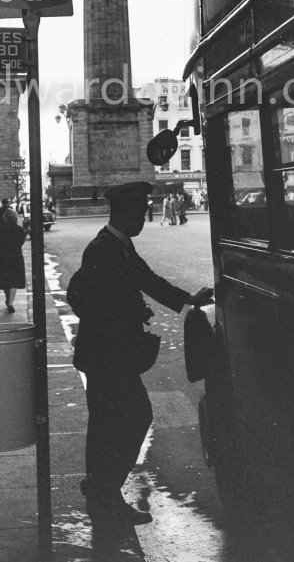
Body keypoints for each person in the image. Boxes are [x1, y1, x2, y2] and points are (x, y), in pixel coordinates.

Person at [67, 181, 213, 526]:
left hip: (107, 355)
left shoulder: (117, 245)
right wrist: (133, 312)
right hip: (108, 356)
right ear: (126, 213)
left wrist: (186, 299)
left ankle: (101, 488)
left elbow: (144, 279)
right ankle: (105, 492)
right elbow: (97, 301)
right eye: (141, 212)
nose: (145, 218)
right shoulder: (105, 249)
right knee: (131, 417)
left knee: (110, 422)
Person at [0, 208, 26, 313]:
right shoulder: (19, 229)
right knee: (14, 280)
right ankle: (10, 302)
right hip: (15, 256)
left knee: (4, 280)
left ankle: (7, 298)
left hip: (2, 256)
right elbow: (21, 242)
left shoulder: (0, 229)